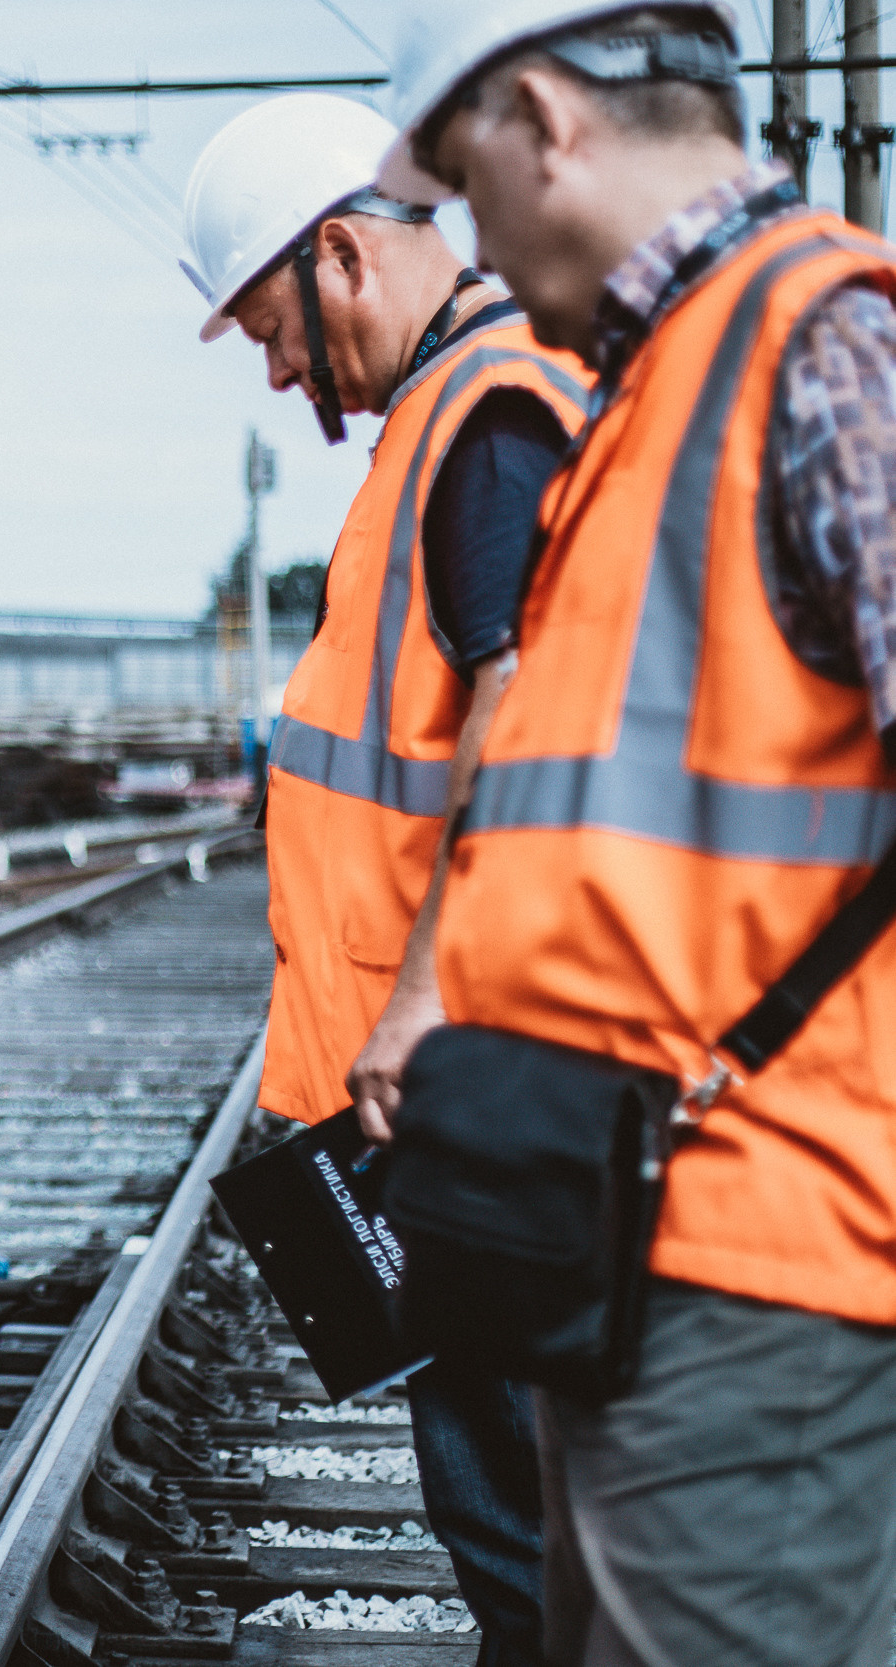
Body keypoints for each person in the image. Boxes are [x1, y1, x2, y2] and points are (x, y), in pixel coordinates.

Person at [381, 4, 896, 1664]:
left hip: (768, 1255)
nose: (471, 238)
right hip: (621, 1235)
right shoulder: (659, 382)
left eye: (464, 185)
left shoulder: (818, 350)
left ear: (544, 121)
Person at [181, 94, 589, 1667]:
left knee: (521, 1529)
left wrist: (415, 1005)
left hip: (471, 1074)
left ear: (340, 252)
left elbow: (520, 716)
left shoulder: (486, 418)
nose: (282, 371)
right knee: (504, 1510)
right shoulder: (445, 417)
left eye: (271, 327)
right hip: (437, 1081)